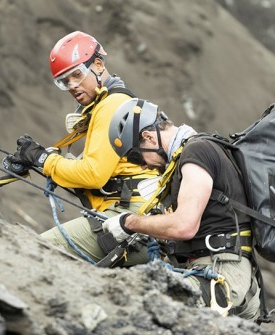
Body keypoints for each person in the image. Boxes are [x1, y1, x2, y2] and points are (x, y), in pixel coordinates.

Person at [4, 31, 158, 264]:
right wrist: (51, 161)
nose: (72, 86)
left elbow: (93, 175)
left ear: (97, 64)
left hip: (128, 217)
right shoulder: (112, 103)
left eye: (77, 75)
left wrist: (43, 160)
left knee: (34, 251)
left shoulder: (111, 106)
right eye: (64, 82)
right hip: (136, 214)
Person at [102, 98, 262, 321]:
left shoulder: (196, 152)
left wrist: (129, 222)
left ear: (148, 137)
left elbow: (184, 225)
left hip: (221, 271)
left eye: (136, 157)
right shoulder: (195, 152)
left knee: (140, 311)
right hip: (221, 269)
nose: (143, 166)